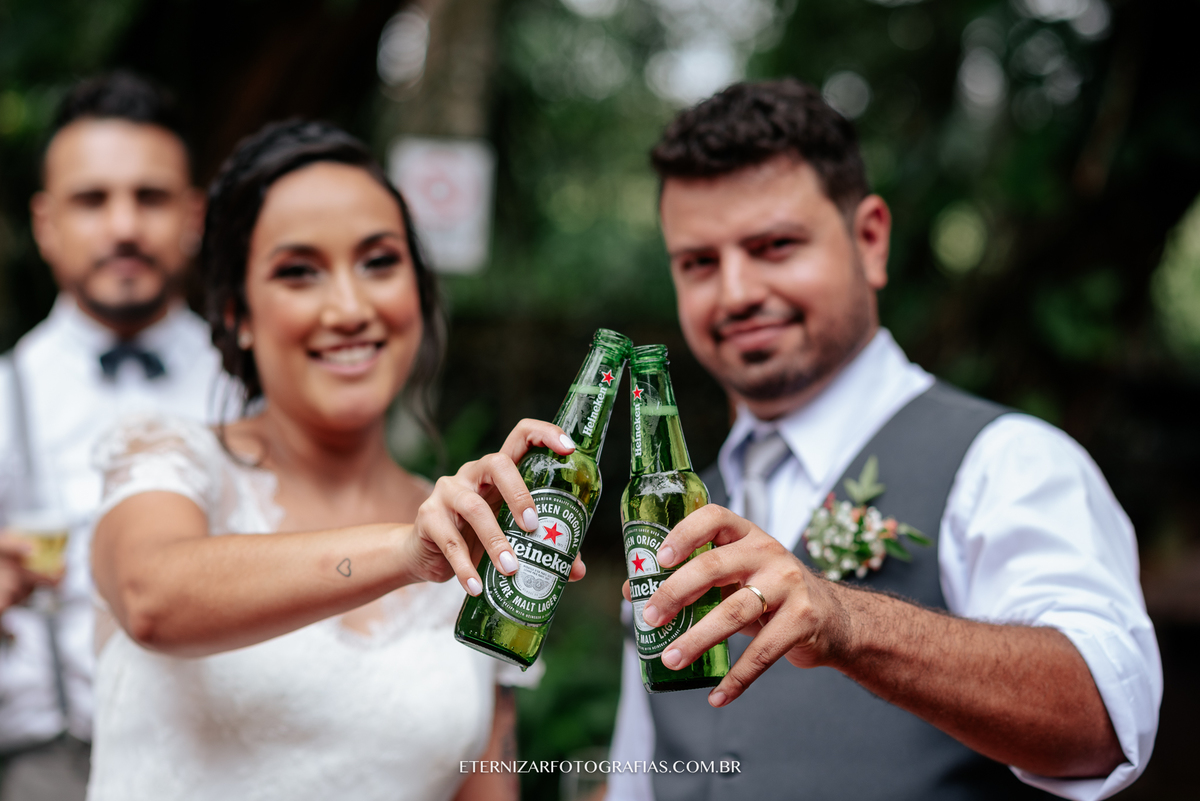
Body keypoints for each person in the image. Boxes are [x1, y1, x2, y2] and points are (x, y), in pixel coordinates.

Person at [607, 79, 1161, 801]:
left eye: (775, 246)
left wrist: (846, 620)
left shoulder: (1007, 461)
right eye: (699, 262)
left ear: (869, 239)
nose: (736, 292)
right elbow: (637, 775)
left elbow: (1107, 716)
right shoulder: (664, 511)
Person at [85, 119, 581, 801]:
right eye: (298, 272)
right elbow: (152, 599)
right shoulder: (166, 459)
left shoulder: (477, 528)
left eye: (379, 262)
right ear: (236, 315)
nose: (349, 308)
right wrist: (404, 552)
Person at [0, 72, 225, 800]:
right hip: (52, 767)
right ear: (45, 224)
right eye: (92, 200)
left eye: (150, 197)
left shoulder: (255, 385)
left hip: (233, 755)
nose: (124, 226)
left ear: (193, 215)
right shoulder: (7, 392)